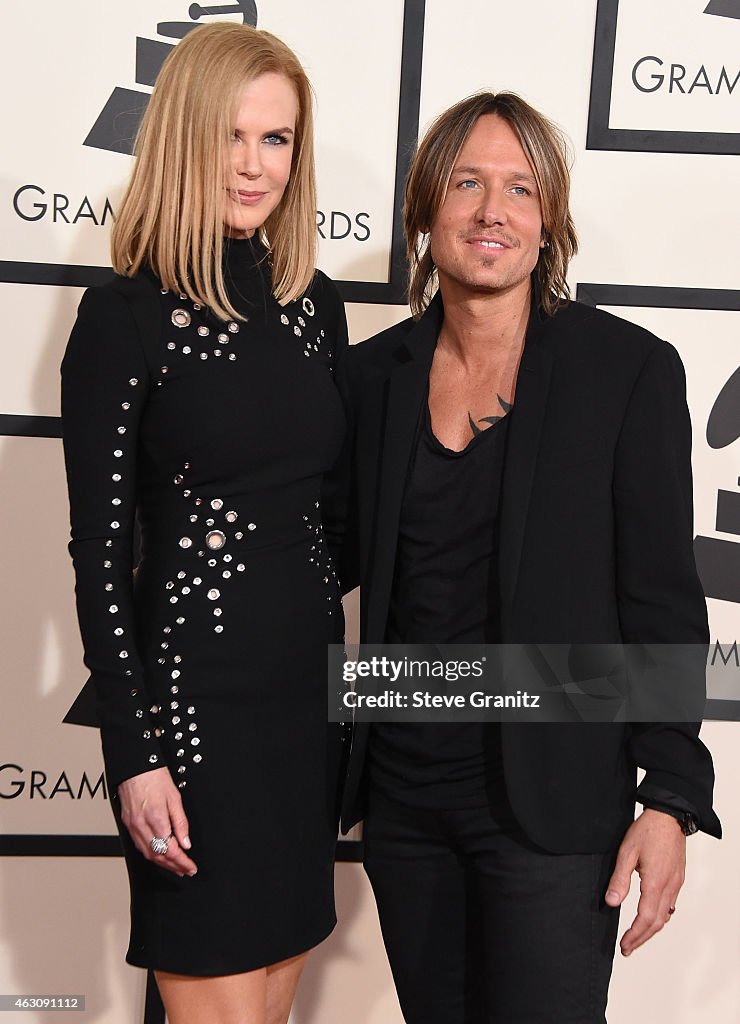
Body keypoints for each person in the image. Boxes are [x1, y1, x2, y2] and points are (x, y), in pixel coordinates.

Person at [338, 92, 721, 1023]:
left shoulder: (625, 370)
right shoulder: (368, 378)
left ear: (549, 222)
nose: (490, 211)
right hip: (406, 801)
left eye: (519, 188)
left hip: (555, 808)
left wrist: (668, 796)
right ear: (427, 211)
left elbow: (665, 603)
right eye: (467, 183)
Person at [61, 22, 347, 1024]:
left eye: (277, 140)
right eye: (232, 135)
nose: (254, 163)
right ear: (183, 135)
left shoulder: (313, 308)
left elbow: (330, 518)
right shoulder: (124, 317)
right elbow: (97, 555)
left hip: (304, 716)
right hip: (194, 724)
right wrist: (134, 754)